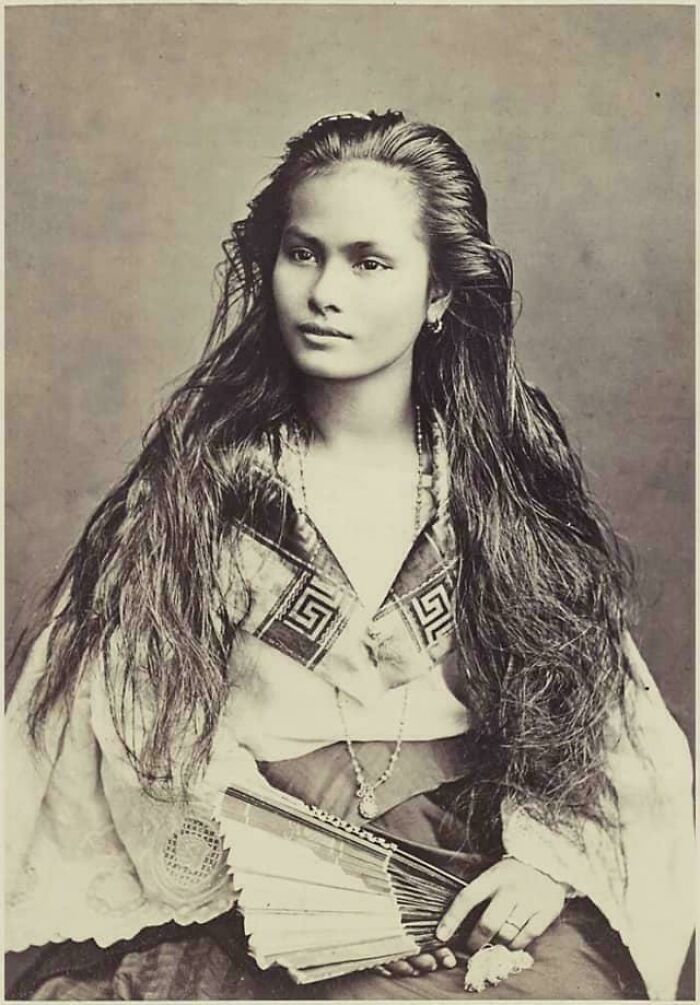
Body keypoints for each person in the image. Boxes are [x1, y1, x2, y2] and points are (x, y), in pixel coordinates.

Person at [5, 109, 693, 1001]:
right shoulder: (204, 490)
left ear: (438, 293)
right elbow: (131, 724)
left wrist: (547, 866)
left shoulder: (493, 494)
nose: (326, 291)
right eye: (304, 253)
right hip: (256, 862)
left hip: (475, 857)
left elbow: (604, 720)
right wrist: (298, 890)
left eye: (369, 262)